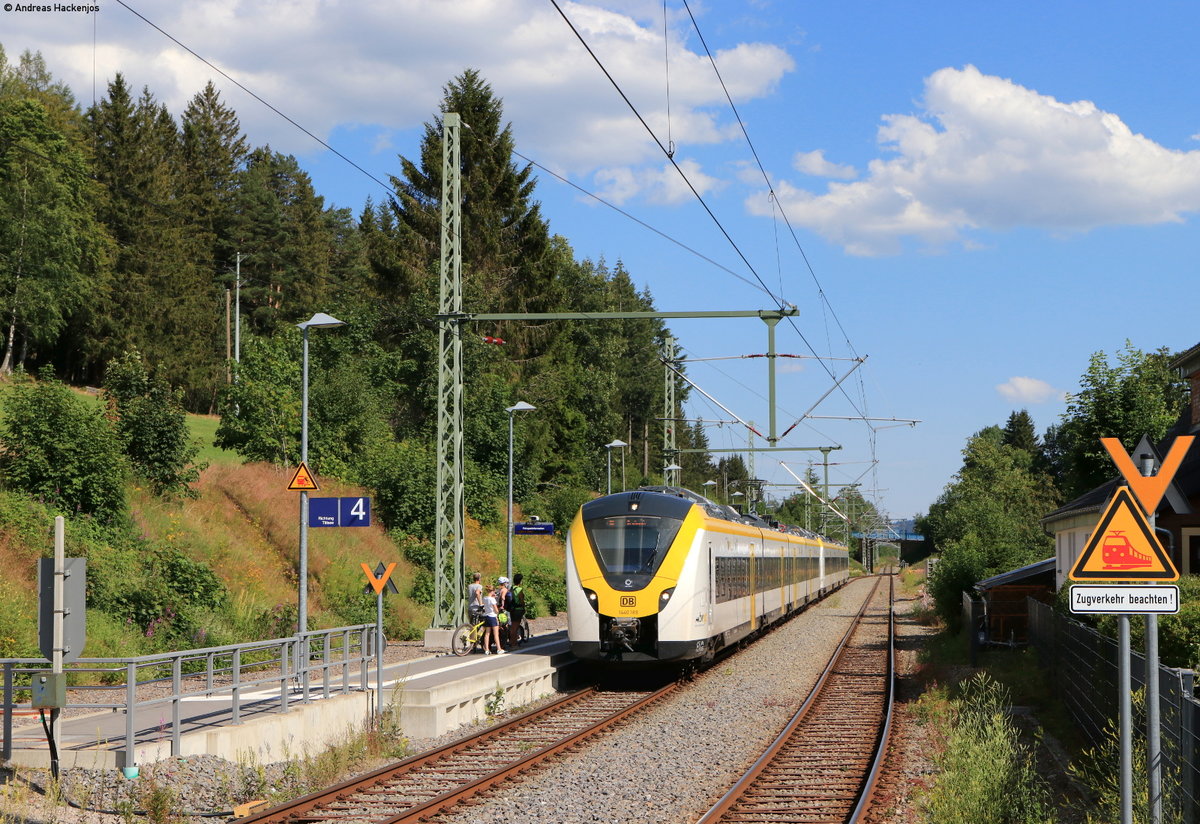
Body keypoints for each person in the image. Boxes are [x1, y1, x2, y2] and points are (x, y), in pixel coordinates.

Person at [482, 583, 504, 655]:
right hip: (493, 617)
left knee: (487, 634)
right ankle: (499, 648)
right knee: (496, 634)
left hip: (487, 616)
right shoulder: (492, 600)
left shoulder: (484, 598)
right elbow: (496, 610)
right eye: (494, 591)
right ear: (492, 591)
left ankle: (487, 650)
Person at [507, 572, 527, 647]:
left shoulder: (512, 588)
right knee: (515, 627)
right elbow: (521, 600)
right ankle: (513, 644)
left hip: (512, 609)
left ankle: (512, 642)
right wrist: (524, 607)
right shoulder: (519, 589)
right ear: (520, 581)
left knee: (513, 626)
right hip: (518, 609)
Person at [496, 577, 511, 649]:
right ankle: (504, 643)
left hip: (497, 609)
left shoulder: (498, 590)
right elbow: (503, 597)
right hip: (502, 609)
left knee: (499, 625)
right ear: (505, 583)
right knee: (505, 625)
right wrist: (504, 603)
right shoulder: (504, 590)